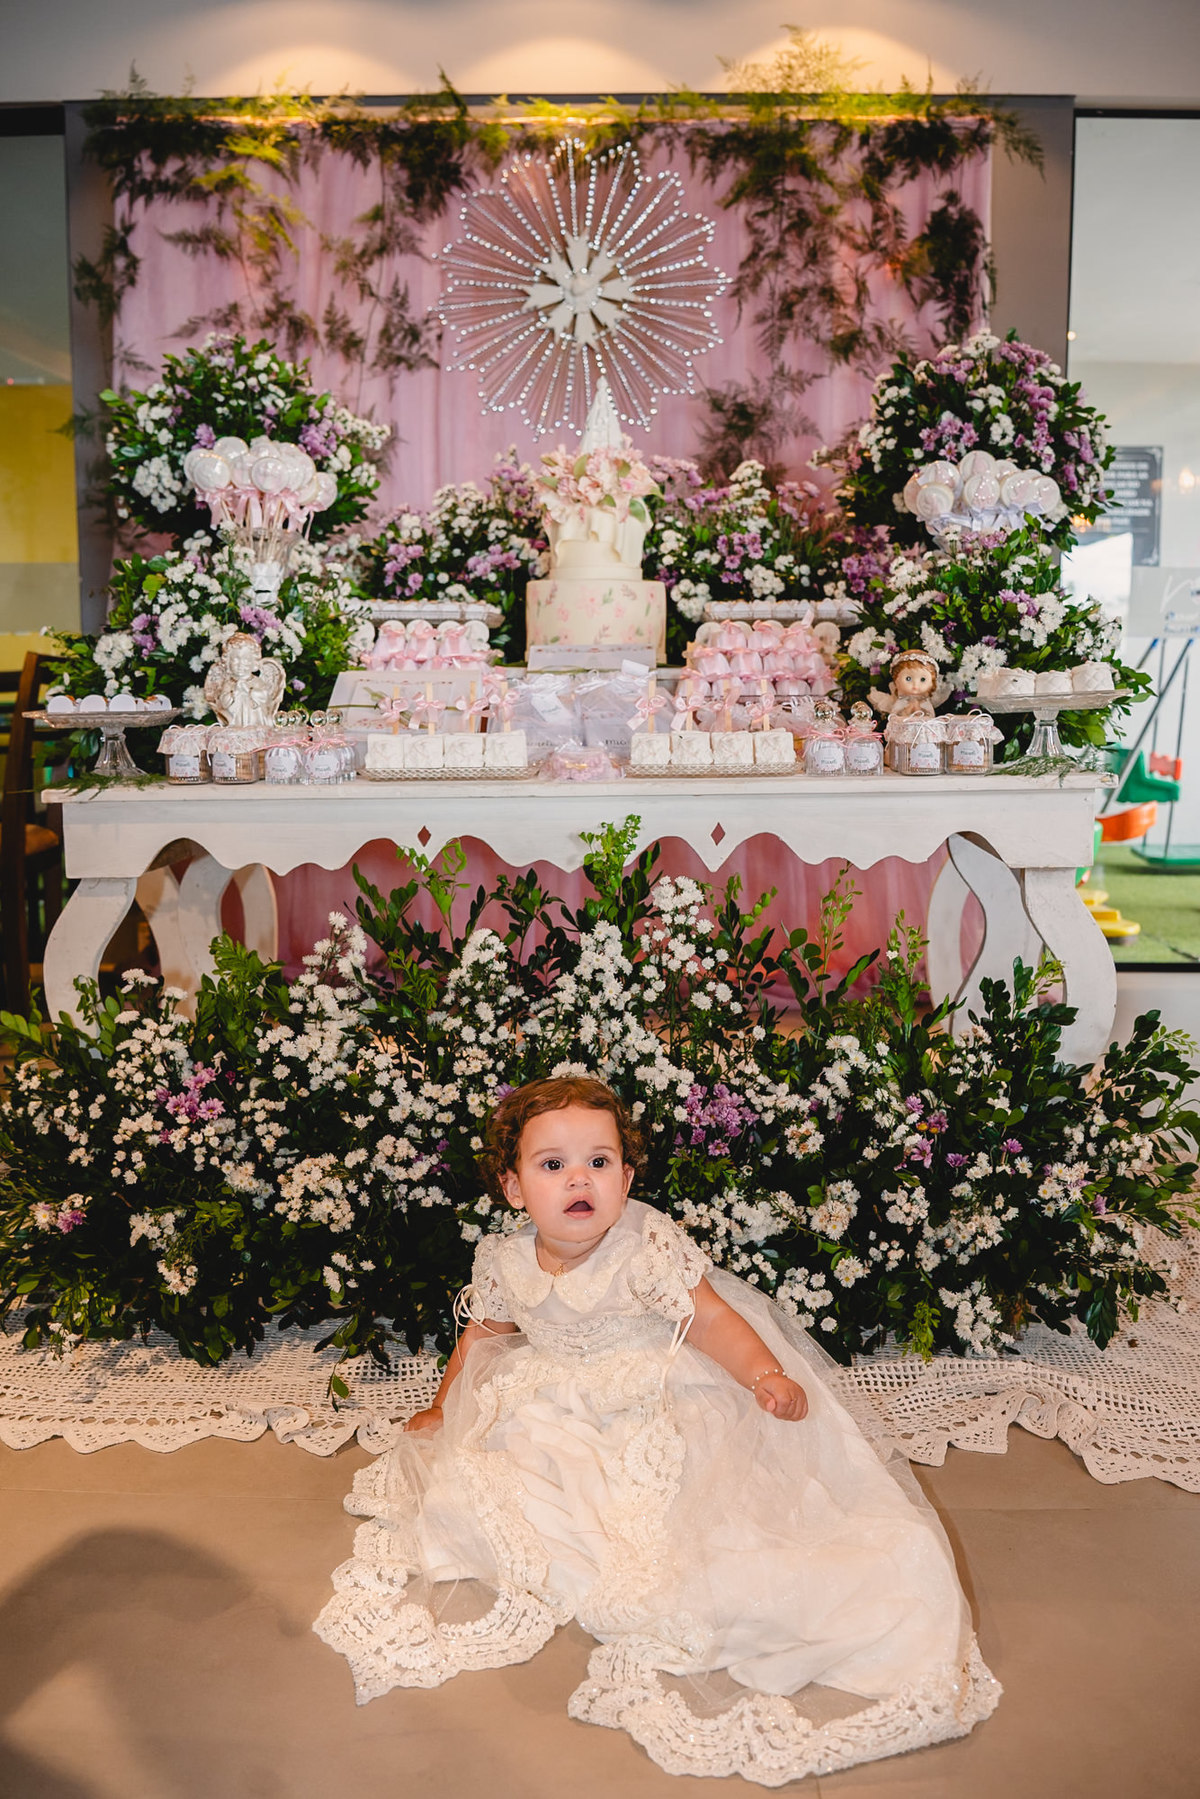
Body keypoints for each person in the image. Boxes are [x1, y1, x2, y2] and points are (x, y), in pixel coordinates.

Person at [315, 1076, 999, 1784]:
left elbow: (710, 1319)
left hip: (653, 1399)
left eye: (599, 1162)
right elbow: (482, 1335)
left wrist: (764, 1374)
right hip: (554, 1401)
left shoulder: (643, 1247)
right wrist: (443, 1402)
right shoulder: (506, 1259)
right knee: (473, 1493)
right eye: (552, 1165)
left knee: (678, 1525)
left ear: (626, 1177)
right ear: (513, 1188)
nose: (579, 1179)